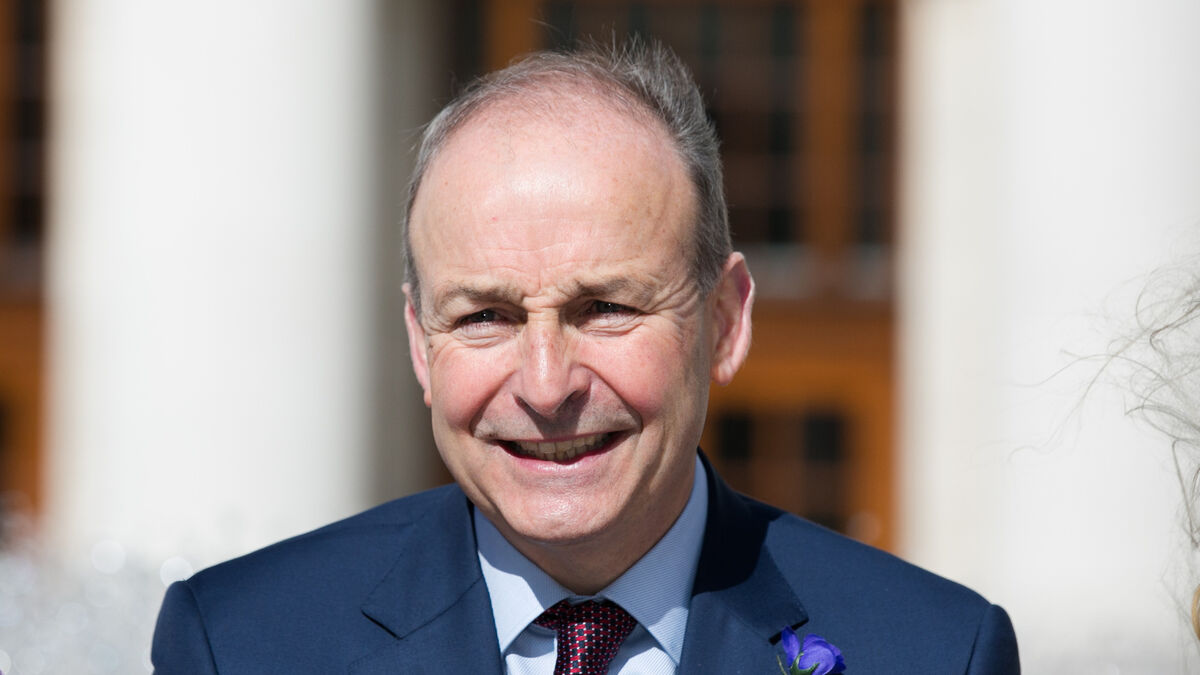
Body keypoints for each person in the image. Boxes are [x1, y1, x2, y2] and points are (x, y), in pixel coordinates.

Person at [151, 40, 1020, 673]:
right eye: (485, 316)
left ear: (724, 321)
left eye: (604, 308)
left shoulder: (933, 652)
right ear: (420, 342)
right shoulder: (243, 644)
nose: (545, 385)